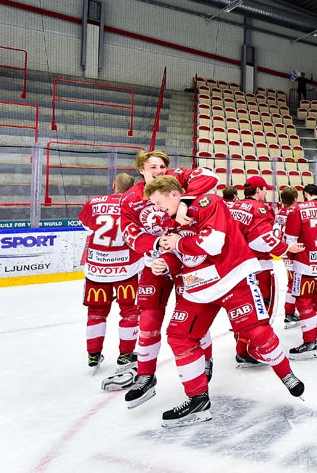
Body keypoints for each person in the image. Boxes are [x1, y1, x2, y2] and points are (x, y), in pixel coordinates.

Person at [145, 176, 304, 427]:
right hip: (197, 285)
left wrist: (180, 238)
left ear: (173, 194)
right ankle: (197, 399)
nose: (156, 208)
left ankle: (287, 376)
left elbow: (213, 242)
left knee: (255, 331)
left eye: (158, 201)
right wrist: (166, 263)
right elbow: (177, 255)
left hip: (232, 276)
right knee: (179, 336)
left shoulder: (209, 201)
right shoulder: (169, 221)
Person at [119, 151, 218, 408]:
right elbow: (130, 234)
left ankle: (204, 361)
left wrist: (184, 200)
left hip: (189, 261)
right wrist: (155, 245)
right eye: (153, 166)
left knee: (195, 316)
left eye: (163, 166)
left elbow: (209, 176)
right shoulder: (131, 199)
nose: (159, 170)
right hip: (156, 264)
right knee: (149, 317)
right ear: (141, 168)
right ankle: (145, 375)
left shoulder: (178, 178)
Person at [228, 176, 304, 367]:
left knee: (241, 309)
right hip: (257, 266)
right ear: (259, 190)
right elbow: (261, 240)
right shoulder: (260, 209)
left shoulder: (234, 206)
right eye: (264, 190)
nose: (266, 193)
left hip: (234, 267)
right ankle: (251, 349)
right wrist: (286, 248)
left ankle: (241, 348)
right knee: (261, 308)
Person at [79, 173, 141, 376]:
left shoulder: (94, 201)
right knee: (130, 312)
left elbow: (87, 225)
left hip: (97, 268)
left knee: (96, 313)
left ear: (114, 185)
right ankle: (126, 354)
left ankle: (93, 354)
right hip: (126, 267)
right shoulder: (135, 204)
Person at [282, 184, 317, 359]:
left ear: (305, 194)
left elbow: (290, 240)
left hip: (305, 264)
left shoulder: (299, 209)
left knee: (304, 301)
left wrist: (288, 257)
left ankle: (309, 340)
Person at [275, 186, 300, 328]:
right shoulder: (294, 212)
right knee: (294, 283)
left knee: (293, 281)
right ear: (295, 199)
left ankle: (291, 312)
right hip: (293, 251)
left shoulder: (280, 212)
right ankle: (289, 313)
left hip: (285, 251)